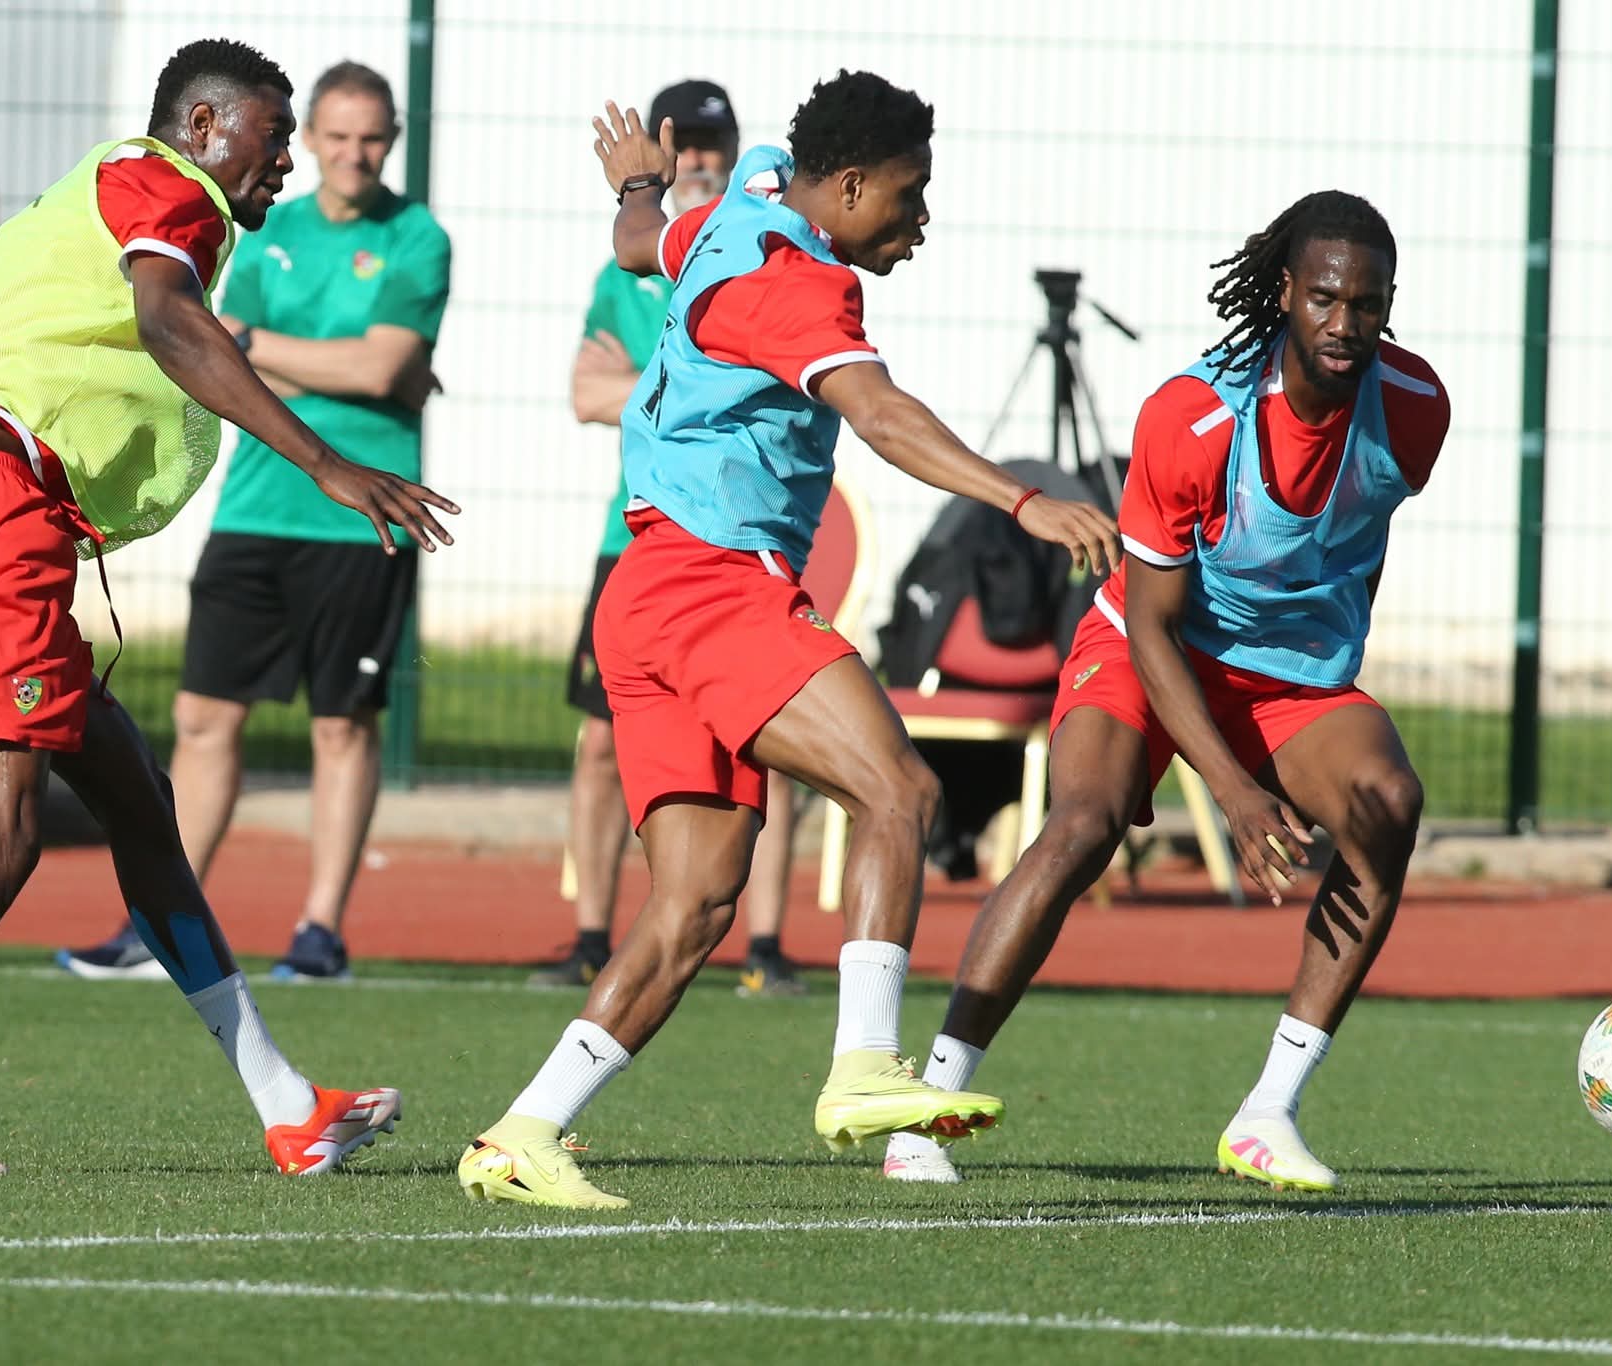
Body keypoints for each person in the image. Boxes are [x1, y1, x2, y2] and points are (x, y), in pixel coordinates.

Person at [457, 71, 1120, 1210]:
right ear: (849, 186)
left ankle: (522, 1134)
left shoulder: (744, 204)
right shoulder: (793, 282)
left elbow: (639, 246)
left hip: (644, 592)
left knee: (694, 905)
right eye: (909, 195)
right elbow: (882, 414)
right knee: (899, 790)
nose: (921, 221)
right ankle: (863, 1065)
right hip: (714, 587)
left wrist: (634, 188)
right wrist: (1023, 500)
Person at [0, 38, 458, 1177]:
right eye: (271, 138)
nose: (283, 164)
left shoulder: (102, 188)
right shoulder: (168, 184)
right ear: (203, 127)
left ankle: (289, 1105)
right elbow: (168, 322)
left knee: (137, 798)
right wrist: (323, 462)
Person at [884, 191, 1450, 1190]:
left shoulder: (1415, 408)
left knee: (1388, 803)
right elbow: (1150, 622)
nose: (1344, 323)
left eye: (1367, 304)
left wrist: (1301, 683)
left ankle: (1267, 1113)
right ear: (1285, 292)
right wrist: (1233, 791)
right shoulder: (1193, 417)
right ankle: (927, 1107)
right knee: (1081, 826)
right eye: (1323, 298)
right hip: (1152, 648)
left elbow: (1351, 535)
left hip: (1287, 678)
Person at [56, 59, 451, 983]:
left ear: (392, 141)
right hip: (256, 508)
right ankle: (167, 922)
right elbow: (214, 349)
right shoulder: (261, 224)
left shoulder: (418, 238)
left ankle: (320, 934)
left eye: (372, 137)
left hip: (363, 518)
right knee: (202, 718)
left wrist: (264, 348)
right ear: (309, 139)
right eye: (337, 136)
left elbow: (377, 366)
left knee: (341, 727)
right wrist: (332, 362)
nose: (354, 154)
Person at [536, 77, 806, 999]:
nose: (695, 161)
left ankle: (767, 945)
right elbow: (585, 395)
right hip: (639, 535)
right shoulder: (629, 267)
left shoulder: (760, 250)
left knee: (775, 737)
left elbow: (771, 379)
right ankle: (589, 933)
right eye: (679, 145)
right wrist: (698, 387)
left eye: (709, 146)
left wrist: (652, 387)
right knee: (600, 743)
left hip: (743, 539)